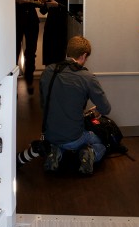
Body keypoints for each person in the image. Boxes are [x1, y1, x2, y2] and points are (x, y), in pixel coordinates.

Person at [39, 36, 111, 175]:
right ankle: (90, 153)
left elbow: (44, 103)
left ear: (68, 51)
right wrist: (96, 112)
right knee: (101, 142)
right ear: (84, 55)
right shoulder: (87, 77)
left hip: (49, 134)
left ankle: (56, 152)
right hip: (74, 136)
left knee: (63, 139)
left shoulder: (48, 71)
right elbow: (106, 108)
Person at [15, 0, 41, 94]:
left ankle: (29, 81)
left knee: (31, 52)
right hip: (17, 20)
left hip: (31, 20)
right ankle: (12, 83)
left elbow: (36, 1)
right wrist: (15, 0)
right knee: (15, 51)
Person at [39, 0, 69, 65]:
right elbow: (43, 11)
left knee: (59, 58)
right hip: (49, 26)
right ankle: (49, 79)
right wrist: (44, 4)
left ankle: (57, 80)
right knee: (48, 57)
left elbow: (69, 11)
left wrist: (57, 5)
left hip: (60, 28)